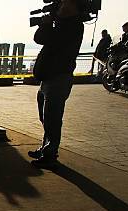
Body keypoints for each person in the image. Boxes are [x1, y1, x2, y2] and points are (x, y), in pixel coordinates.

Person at [28, 0, 85, 169]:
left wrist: (47, 24)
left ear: (72, 7)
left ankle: (50, 153)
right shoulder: (63, 25)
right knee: (45, 116)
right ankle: (46, 147)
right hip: (48, 78)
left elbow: (44, 38)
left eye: (62, 5)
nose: (59, 8)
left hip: (58, 78)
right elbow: (41, 38)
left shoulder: (73, 26)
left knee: (53, 118)